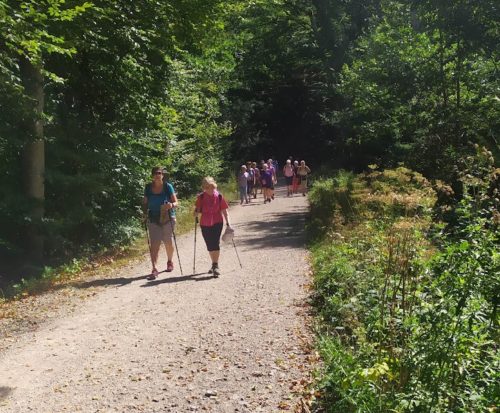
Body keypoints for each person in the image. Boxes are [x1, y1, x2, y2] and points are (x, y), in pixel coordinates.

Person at [143, 166, 179, 280]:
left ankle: (169, 261)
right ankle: (154, 269)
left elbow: (176, 202)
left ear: (162, 175)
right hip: (153, 218)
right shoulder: (148, 187)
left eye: (159, 173)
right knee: (155, 244)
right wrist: (143, 212)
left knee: (168, 242)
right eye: (155, 173)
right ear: (152, 175)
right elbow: (145, 202)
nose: (157, 175)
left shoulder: (168, 187)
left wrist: (171, 205)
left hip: (168, 217)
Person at [194, 177, 232, 277]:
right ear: (204, 187)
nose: (209, 189)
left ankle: (216, 265)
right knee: (209, 245)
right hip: (205, 223)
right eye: (207, 187)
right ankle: (213, 263)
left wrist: (228, 223)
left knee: (215, 243)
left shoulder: (219, 196)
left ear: (214, 186)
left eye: (211, 186)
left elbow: (224, 211)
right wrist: (195, 213)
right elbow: (196, 211)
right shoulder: (201, 197)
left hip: (217, 222)